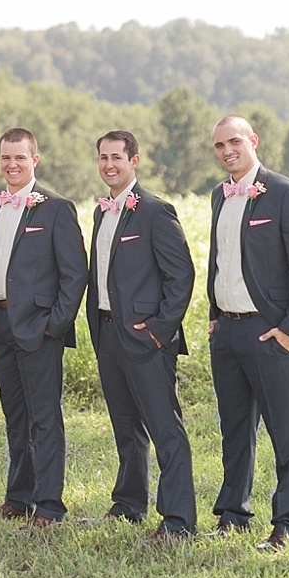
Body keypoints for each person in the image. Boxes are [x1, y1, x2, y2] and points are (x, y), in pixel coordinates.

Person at [205, 115, 289, 549]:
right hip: (228, 333)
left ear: (253, 140)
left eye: (234, 141)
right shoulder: (220, 195)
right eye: (219, 146)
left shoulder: (286, 194)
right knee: (234, 429)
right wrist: (215, 314)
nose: (227, 151)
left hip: (271, 334)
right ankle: (233, 514)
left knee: (284, 432)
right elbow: (222, 260)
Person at [87, 130, 198, 538]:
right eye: (103, 158)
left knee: (164, 428)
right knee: (125, 426)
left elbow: (181, 275)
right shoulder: (102, 212)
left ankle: (178, 520)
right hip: (109, 335)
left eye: (117, 157)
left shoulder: (155, 211)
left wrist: (158, 331)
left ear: (134, 160)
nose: (109, 164)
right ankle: (129, 504)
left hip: (146, 339)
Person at [0, 127, 85, 525]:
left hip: (38, 328)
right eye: (6, 157)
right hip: (1, 325)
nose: (12, 165)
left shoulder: (56, 208)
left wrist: (53, 326)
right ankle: (18, 497)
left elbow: (75, 274)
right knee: (15, 416)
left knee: (44, 417)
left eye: (20, 158)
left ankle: (49, 505)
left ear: (34, 160)